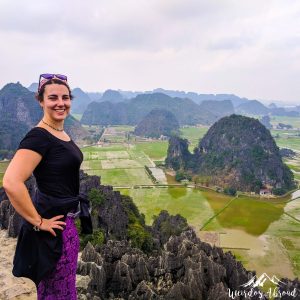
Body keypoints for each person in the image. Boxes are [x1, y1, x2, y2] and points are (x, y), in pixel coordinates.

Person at [3, 73, 85, 299]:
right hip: (52, 230)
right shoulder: (38, 137)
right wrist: (38, 222)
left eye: (65, 97)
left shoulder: (58, 131)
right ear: (41, 101)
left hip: (64, 223)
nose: (61, 103)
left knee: (62, 286)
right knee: (56, 291)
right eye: (53, 98)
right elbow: (11, 181)